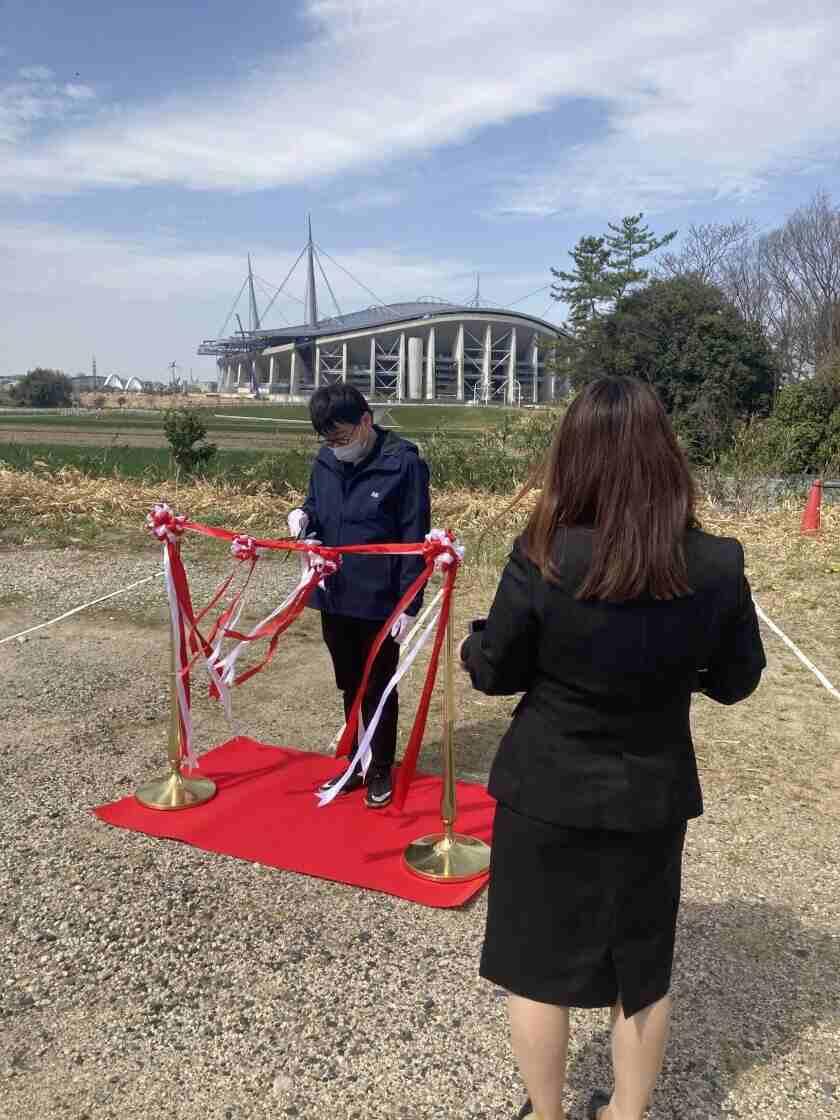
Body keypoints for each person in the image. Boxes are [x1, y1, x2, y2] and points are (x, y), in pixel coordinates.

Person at [458, 376, 766, 1120]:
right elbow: (736, 681)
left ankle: (548, 1113)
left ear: (576, 457)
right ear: (665, 456)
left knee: (535, 968)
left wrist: (476, 641)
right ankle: (628, 1115)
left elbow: (494, 671)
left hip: (546, 789)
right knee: (641, 971)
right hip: (650, 790)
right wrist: (673, 671)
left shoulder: (543, 555)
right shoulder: (716, 562)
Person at [288, 384, 431, 809]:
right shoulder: (326, 460)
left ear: (366, 422)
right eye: (328, 439)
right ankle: (355, 759)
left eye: (342, 437)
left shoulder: (403, 464)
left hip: (379, 599)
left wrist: (410, 601)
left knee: (378, 684)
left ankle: (382, 766)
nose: (336, 446)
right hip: (334, 593)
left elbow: (413, 537)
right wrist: (303, 518)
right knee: (348, 681)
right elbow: (316, 505)